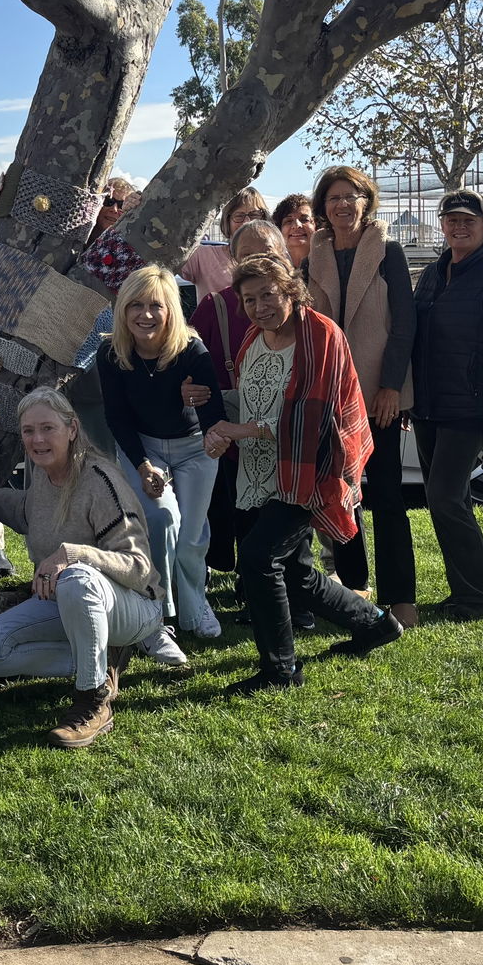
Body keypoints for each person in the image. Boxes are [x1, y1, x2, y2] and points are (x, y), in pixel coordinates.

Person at [201, 255, 402, 692]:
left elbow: (316, 419)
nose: (259, 307)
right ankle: (374, 625)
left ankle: (280, 669)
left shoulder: (322, 337)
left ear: (291, 290)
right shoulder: (253, 339)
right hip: (259, 472)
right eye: (249, 298)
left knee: (257, 558)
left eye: (268, 294)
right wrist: (217, 415)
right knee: (296, 573)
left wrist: (241, 429)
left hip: (310, 470)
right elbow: (255, 401)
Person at [0, 388, 161, 750]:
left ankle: (93, 699)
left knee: (76, 578)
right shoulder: (42, 474)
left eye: (47, 428)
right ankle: (101, 659)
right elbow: (30, 514)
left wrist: (73, 553)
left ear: (71, 428)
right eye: (28, 431)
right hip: (68, 602)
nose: (37, 439)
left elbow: (139, 568)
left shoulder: (100, 480)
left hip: (133, 607)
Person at [307, 167, 419, 627]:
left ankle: (401, 596)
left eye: (350, 196)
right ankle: (356, 592)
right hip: (330, 396)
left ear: (365, 201)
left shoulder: (388, 252)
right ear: (323, 207)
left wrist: (392, 386)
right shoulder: (313, 256)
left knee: (388, 496)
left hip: (378, 395)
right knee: (341, 495)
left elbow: (405, 323)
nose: (341, 205)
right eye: (333, 197)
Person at [409, 189, 483, 620]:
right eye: (452, 219)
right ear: (442, 225)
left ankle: (482, 597)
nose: (460, 227)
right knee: (445, 497)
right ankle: (467, 591)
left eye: (469, 220)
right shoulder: (433, 274)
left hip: (469, 408)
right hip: (427, 406)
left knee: (444, 496)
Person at [98, 264, 226, 648]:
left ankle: (194, 605)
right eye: (135, 305)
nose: (145, 315)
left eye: (155, 305)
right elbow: (116, 417)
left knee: (191, 536)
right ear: (122, 310)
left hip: (194, 449)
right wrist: (142, 464)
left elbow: (214, 416)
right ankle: (159, 610)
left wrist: (198, 410)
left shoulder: (192, 350)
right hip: (143, 446)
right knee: (159, 518)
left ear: (171, 308)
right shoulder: (111, 353)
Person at [188, 217, 287, 581]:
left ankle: (289, 593)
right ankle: (250, 590)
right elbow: (186, 357)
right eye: (247, 256)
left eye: (267, 254)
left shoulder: (298, 307)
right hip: (232, 433)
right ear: (232, 262)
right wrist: (187, 388)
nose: (257, 263)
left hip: (284, 434)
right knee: (240, 512)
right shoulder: (217, 305)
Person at [180, 188, 271, 304]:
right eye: (239, 216)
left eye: (254, 215)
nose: (247, 222)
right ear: (227, 221)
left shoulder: (274, 258)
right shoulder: (203, 256)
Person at [271, 194, 317, 282]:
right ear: (279, 230)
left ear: (316, 225)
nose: (296, 226)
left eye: (304, 220)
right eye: (288, 221)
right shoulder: (271, 271)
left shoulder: (331, 262)